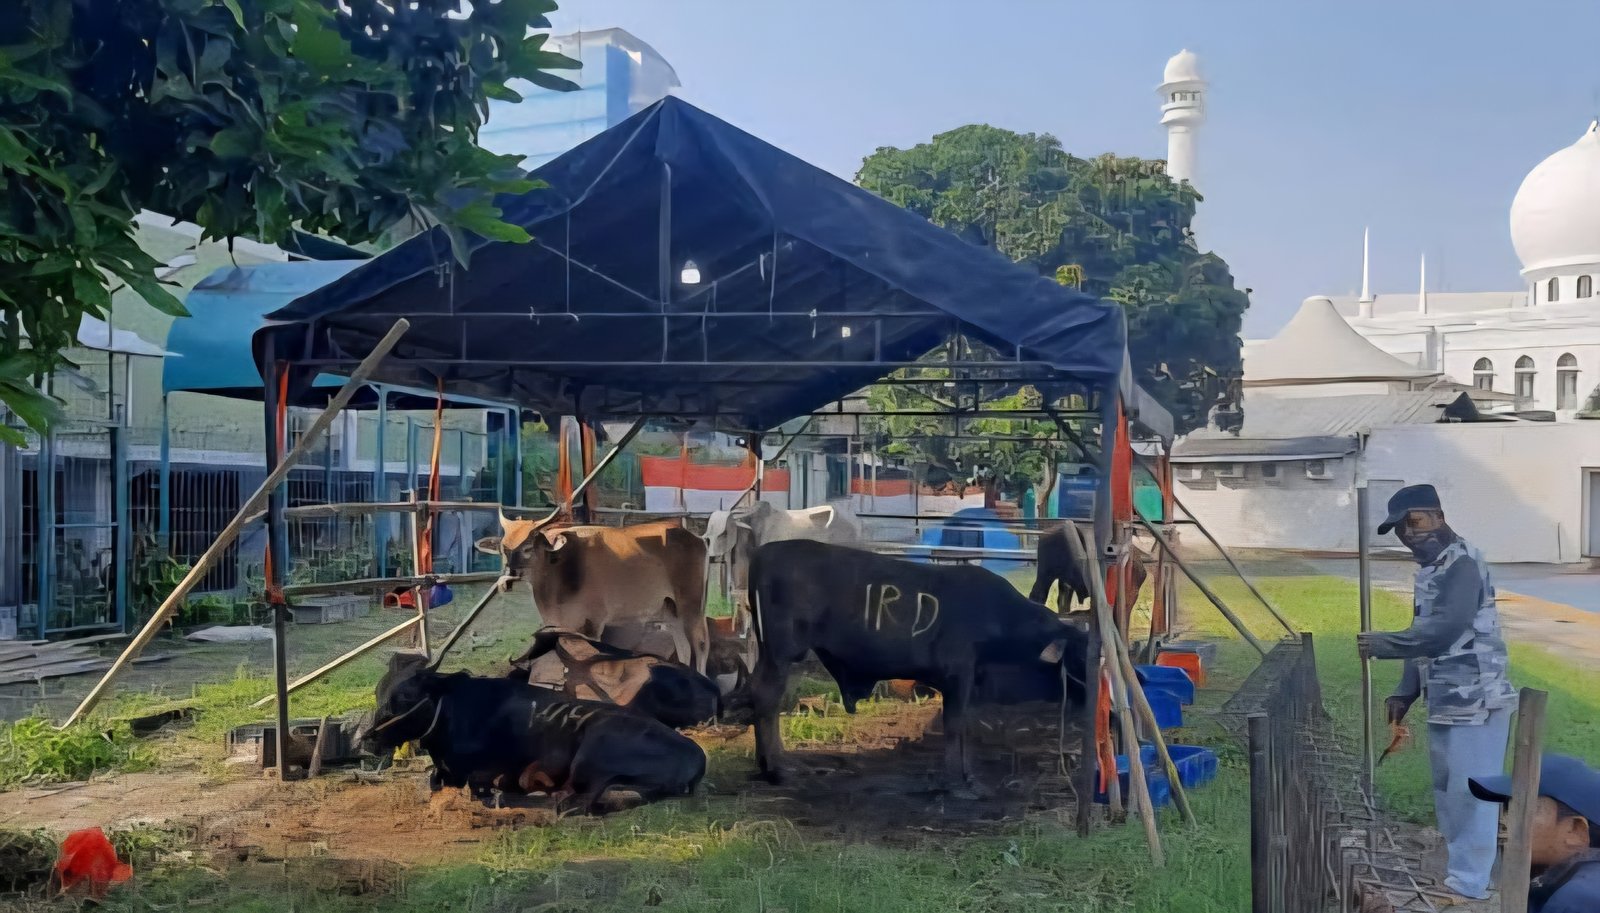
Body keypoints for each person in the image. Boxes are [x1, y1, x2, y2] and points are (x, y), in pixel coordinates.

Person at [1356, 483, 1518, 900]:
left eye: (1416, 522)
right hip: (1447, 696)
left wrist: (1384, 645)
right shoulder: (1432, 569)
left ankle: (1470, 885)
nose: (1409, 534)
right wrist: (1405, 691)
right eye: (1401, 529)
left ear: (1439, 517)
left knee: (1472, 792)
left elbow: (1444, 630)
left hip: (1477, 696)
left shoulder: (1462, 563)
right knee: (1449, 791)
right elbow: (1423, 632)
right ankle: (1467, 872)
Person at [1469, 754, 1600, 913]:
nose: (1502, 821)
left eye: (1523, 810)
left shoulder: (1576, 901)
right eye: (1506, 809)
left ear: (1575, 830)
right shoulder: (1566, 884)